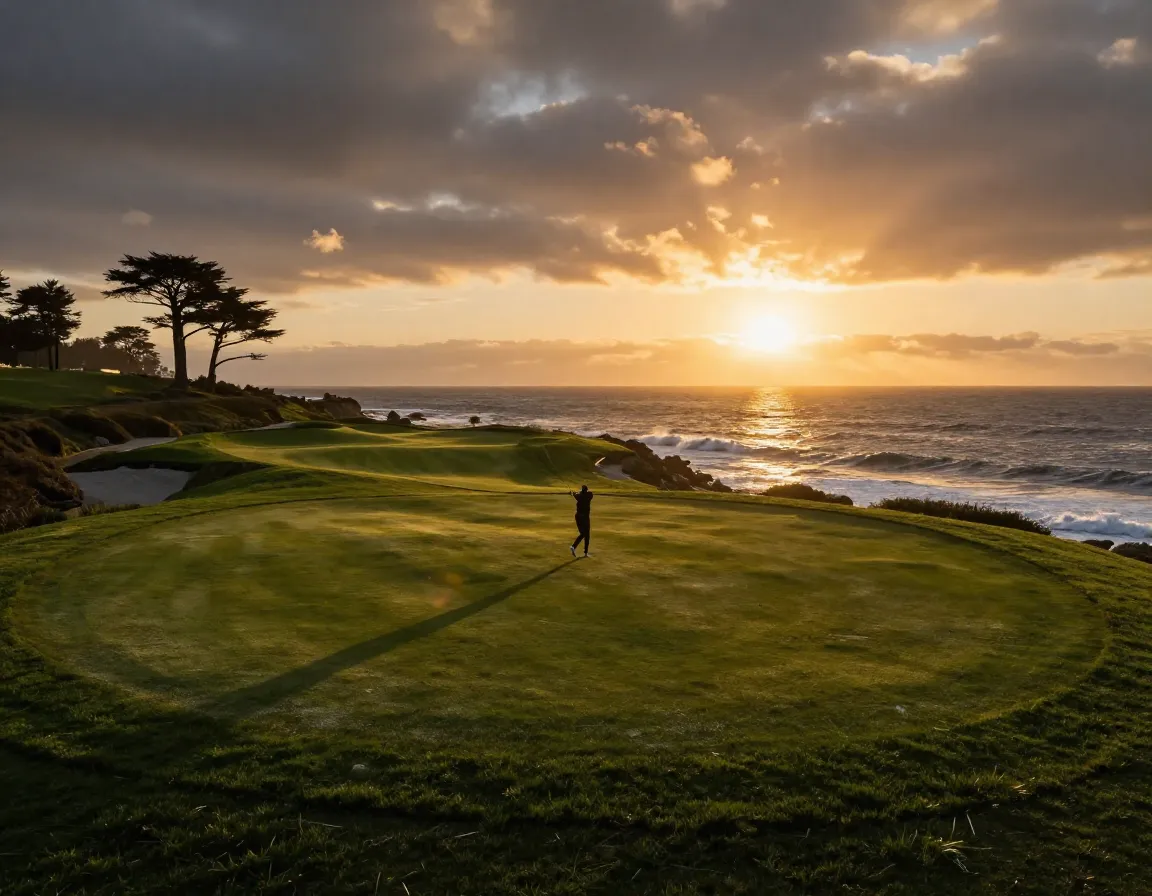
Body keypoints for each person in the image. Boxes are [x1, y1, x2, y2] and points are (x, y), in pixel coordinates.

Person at [569, 484, 593, 557]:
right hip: (585, 517)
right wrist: (576, 493)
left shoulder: (579, 496)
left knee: (583, 534)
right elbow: (585, 493)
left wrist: (573, 493)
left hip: (578, 517)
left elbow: (577, 494)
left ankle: (573, 547)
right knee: (587, 534)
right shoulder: (589, 495)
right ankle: (585, 553)